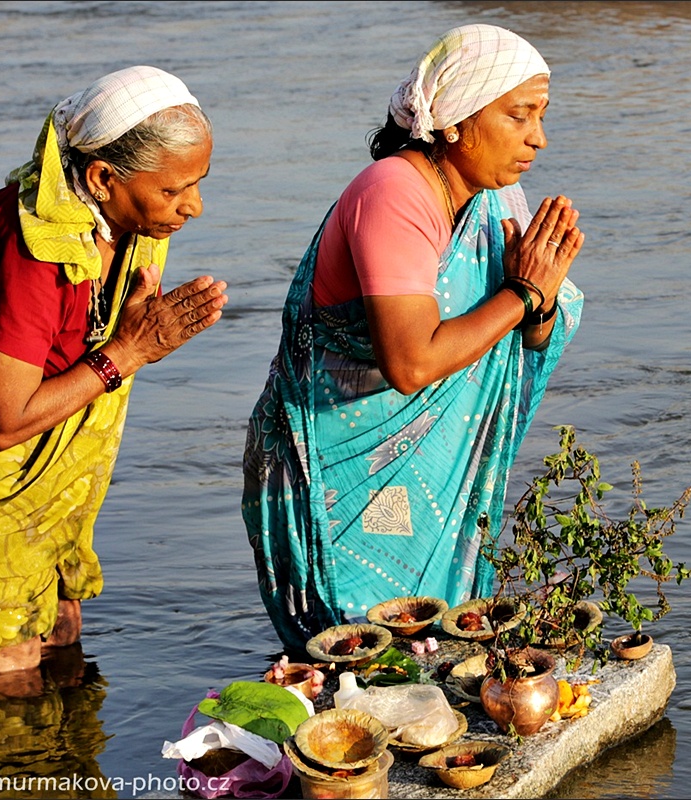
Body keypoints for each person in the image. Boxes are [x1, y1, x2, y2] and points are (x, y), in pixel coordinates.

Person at [0, 65, 229, 675]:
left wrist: (127, 328)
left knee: (59, 623)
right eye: (173, 191)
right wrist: (126, 352)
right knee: (5, 654)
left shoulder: (127, 219)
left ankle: (67, 762)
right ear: (103, 178)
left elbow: (90, 333)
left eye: (199, 183)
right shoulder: (36, 252)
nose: (194, 207)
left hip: (40, 415)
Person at [242, 24, 585, 651]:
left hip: (427, 470)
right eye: (519, 115)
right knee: (359, 651)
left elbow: (524, 340)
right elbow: (411, 361)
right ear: (454, 120)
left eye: (540, 116)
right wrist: (523, 293)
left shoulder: (494, 196)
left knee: (431, 650)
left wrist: (537, 303)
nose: (538, 137)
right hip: (338, 465)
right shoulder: (394, 193)